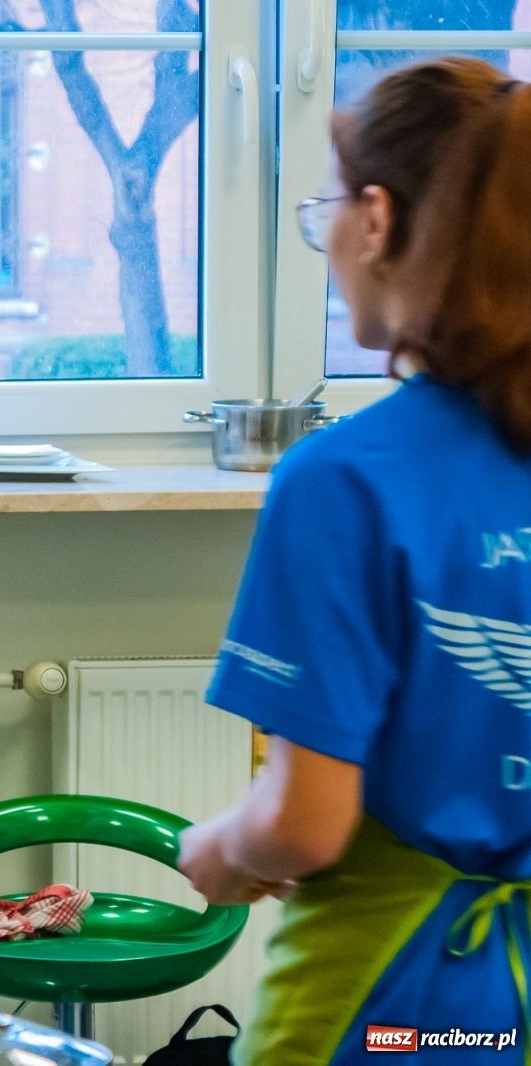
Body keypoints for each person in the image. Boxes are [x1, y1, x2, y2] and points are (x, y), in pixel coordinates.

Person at [177, 57, 531, 1062]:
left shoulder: (344, 479)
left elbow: (303, 823)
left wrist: (218, 848)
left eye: (327, 207)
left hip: (390, 988)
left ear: (375, 220)